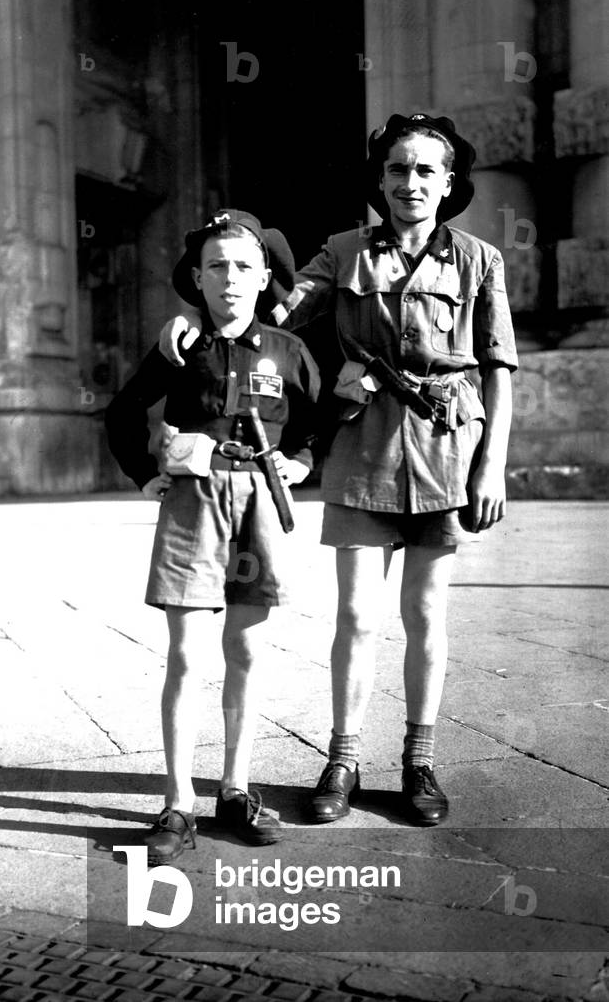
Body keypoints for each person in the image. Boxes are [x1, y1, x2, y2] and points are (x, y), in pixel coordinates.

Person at [159, 114, 518, 827]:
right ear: (380, 181)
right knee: (355, 615)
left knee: (425, 613)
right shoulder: (344, 250)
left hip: (447, 446)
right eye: (396, 170)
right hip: (362, 448)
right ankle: (343, 759)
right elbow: (271, 304)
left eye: (425, 171)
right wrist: (192, 326)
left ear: (449, 184)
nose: (409, 183)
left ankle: (420, 762)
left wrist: (493, 467)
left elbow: (500, 371)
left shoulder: (480, 261)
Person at [106, 209, 320, 863]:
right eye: (217, 267)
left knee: (246, 650)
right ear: (197, 278)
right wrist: (147, 476)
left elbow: (319, 422)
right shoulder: (180, 345)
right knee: (187, 656)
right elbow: (121, 412)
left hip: (258, 501)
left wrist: (303, 460)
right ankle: (177, 800)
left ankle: (235, 786)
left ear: (264, 278)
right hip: (193, 504)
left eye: (243, 267)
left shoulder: (289, 352)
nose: (230, 279)